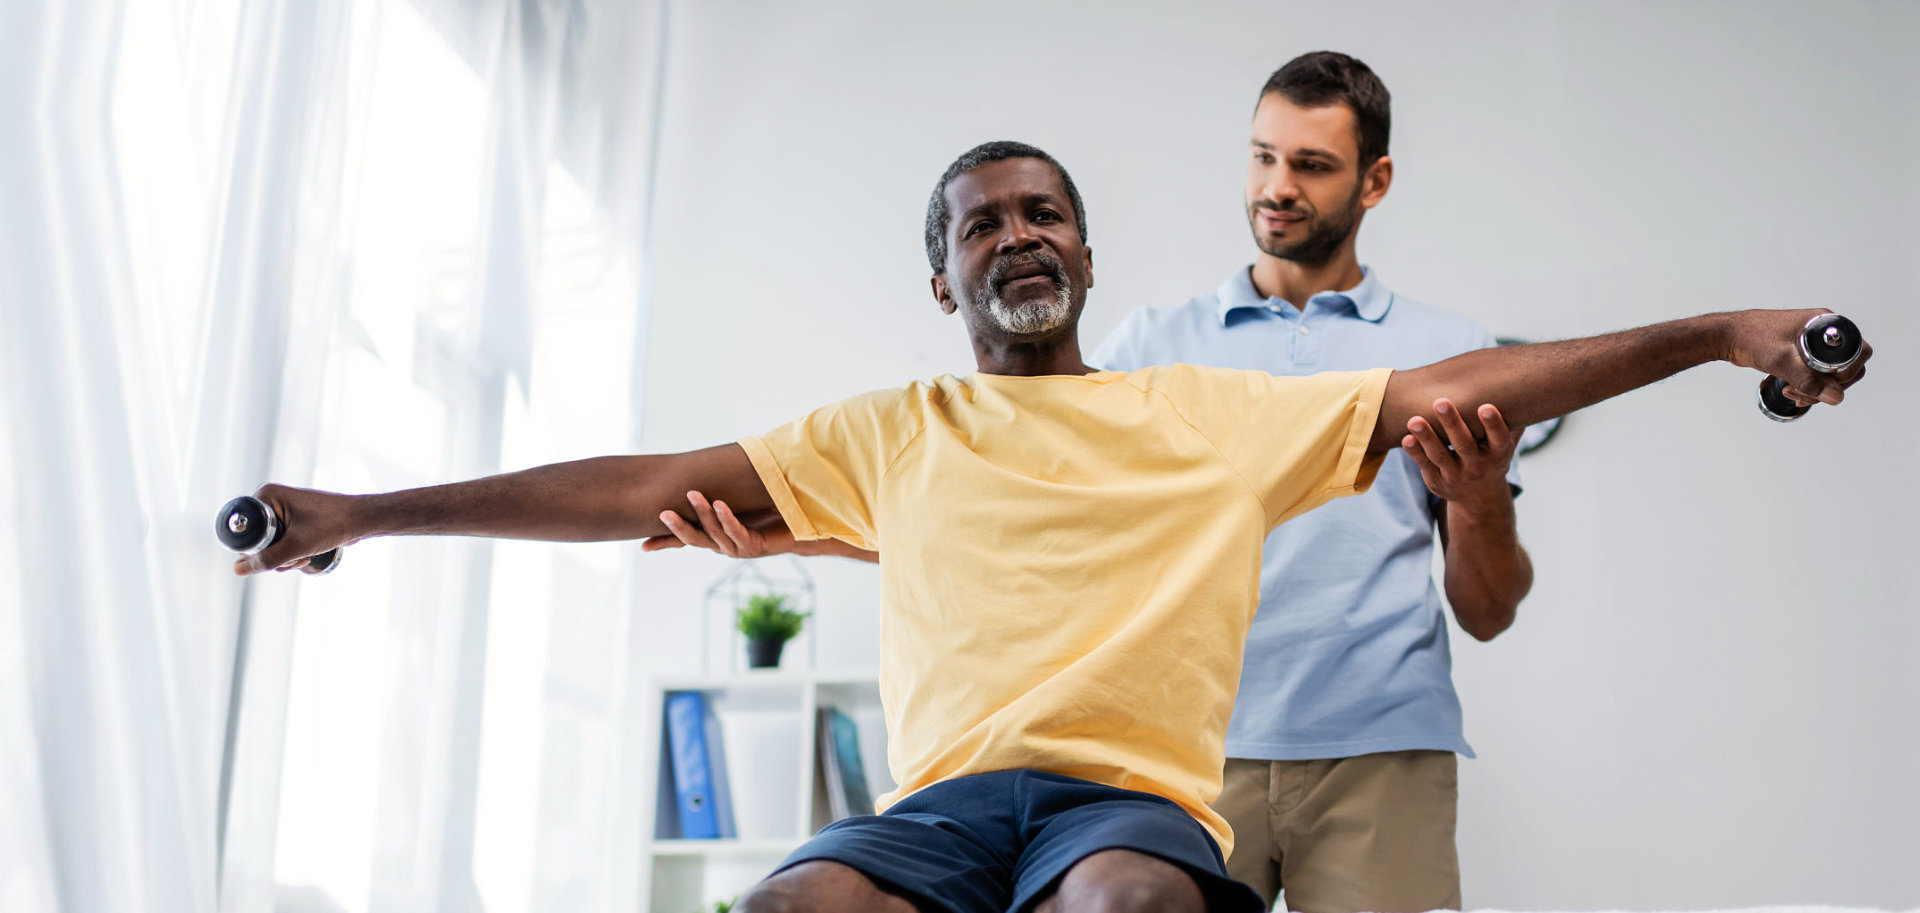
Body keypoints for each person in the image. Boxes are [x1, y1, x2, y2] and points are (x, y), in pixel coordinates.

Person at [236, 140, 1867, 913]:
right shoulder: (887, 435)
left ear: (1081, 260)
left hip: (1130, 807)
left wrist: (1721, 328)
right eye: (982, 224)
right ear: (944, 277)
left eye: (1045, 217)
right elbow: (627, 484)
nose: (1019, 236)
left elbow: (1471, 373)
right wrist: (364, 515)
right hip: (934, 812)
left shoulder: (1208, 411)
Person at [651, 52, 1529, 912]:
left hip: (1376, 746)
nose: (1277, 185)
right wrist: (807, 529)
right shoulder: (1153, 348)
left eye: (1312, 164)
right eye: (1263, 156)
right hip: (1170, 763)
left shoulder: (1444, 356)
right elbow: (1028, 523)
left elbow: (1488, 610)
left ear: (1373, 181)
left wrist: (1478, 494)